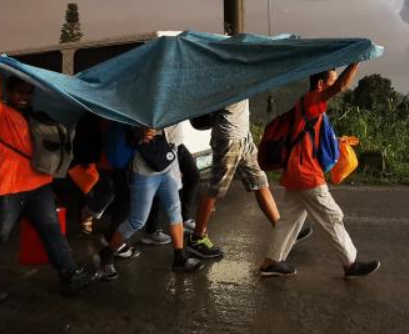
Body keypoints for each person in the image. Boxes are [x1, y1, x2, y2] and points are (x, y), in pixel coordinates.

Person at [0, 57, 98, 304]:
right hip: (7, 189)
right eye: (19, 92)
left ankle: (69, 276)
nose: (24, 96)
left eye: (29, 92)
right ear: (9, 92)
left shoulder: (35, 115)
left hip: (38, 186)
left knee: (52, 232)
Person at [259, 64, 380, 279]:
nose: (333, 87)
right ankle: (350, 265)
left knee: (289, 221)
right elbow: (342, 86)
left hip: (296, 174)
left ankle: (271, 263)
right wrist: (356, 61)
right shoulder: (313, 100)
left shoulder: (308, 106)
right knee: (332, 217)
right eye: (330, 82)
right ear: (321, 84)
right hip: (307, 176)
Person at [187, 100, 311, 259]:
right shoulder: (227, 77)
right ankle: (197, 238)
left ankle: (283, 232)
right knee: (215, 190)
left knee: (260, 182)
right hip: (229, 138)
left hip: (244, 137)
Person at [96, 127, 204, 278]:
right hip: (144, 171)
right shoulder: (138, 108)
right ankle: (107, 254)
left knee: (175, 210)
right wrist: (137, 133)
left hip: (168, 163)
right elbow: (126, 129)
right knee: (137, 221)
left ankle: (179, 257)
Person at [141, 123, 200, 244]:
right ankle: (150, 231)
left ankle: (185, 219)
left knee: (194, 175)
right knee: (158, 187)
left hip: (177, 143)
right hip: (160, 145)